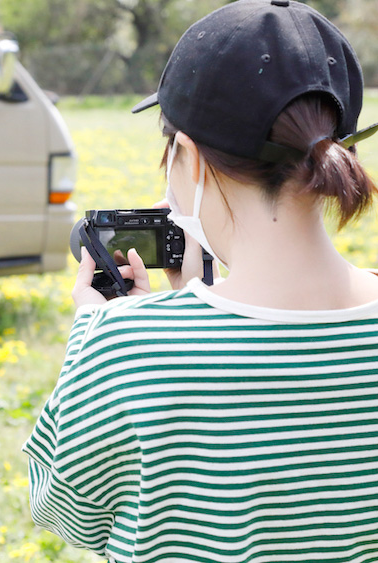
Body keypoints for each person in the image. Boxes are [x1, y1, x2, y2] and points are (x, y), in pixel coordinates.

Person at [23, 1, 378, 562]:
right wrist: (184, 308)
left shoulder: (125, 347)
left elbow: (64, 513)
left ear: (186, 155)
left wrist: (97, 335)